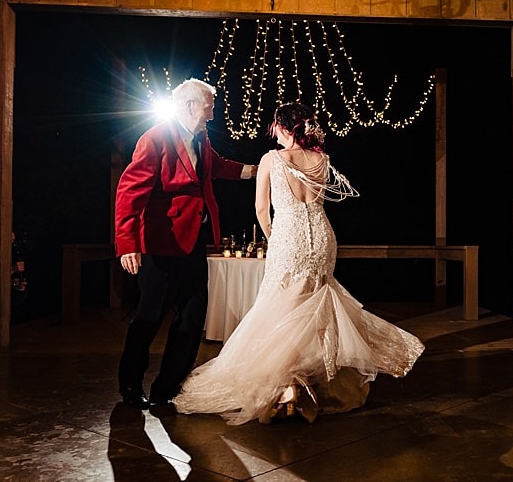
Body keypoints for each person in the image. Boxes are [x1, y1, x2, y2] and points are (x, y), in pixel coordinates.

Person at [175, 104, 423, 424]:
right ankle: (313, 385)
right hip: (322, 237)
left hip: (289, 238)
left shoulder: (271, 159)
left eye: (276, 126)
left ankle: (288, 385)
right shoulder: (322, 159)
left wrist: (274, 237)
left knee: (281, 308)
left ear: (285, 127)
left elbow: (262, 210)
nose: (273, 132)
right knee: (314, 310)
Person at [113, 79, 257, 409]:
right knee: (148, 318)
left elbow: (220, 167)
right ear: (191, 106)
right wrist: (127, 244)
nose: (213, 110)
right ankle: (130, 385)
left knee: (193, 317)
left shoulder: (202, 139)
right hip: (161, 244)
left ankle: (169, 387)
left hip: (194, 243)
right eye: (210, 104)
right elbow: (129, 193)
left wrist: (262, 170)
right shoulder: (155, 138)